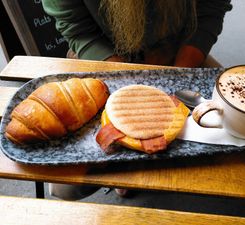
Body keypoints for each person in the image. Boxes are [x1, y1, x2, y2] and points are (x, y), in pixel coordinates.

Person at [42, 0, 232, 200]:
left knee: (229, 143)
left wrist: (177, 75)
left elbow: (210, 11)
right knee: (65, 187)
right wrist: (126, 88)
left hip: (179, 53)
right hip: (103, 55)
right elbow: (78, 29)